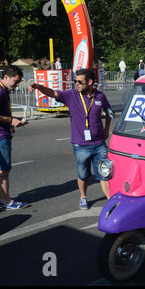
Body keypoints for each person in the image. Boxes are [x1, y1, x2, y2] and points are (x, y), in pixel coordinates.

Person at [29, 69, 111, 210]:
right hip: (81, 145)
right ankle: (83, 197)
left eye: (80, 81)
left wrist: (106, 130)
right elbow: (53, 93)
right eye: (75, 81)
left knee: (105, 174)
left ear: (90, 82)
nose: (76, 84)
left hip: (99, 144)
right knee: (83, 174)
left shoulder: (100, 97)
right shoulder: (72, 95)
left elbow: (108, 112)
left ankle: (110, 201)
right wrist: (38, 87)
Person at [0, 65, 28, 210]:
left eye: (19, 82)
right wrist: (10, 120)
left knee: (1, 169)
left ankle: (2, 198)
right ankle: (6, 201)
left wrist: (14, 119)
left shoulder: (2, 89)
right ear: (6, 77)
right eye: (15, 81)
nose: (17, 85)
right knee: (4, 170)